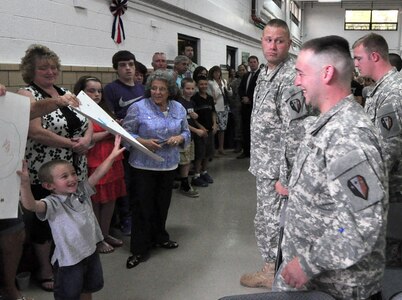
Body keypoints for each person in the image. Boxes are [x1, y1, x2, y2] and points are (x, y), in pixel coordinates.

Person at [273, 35, 387, 300]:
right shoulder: (327, 122)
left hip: (337, 287)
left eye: (301, 73)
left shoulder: (347, 135)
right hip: (319, 281)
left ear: (327, 73)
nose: (296, 81)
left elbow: (363, 223)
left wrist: (308, 262)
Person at [18, 44, 93, 292]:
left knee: (71, 216)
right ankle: (45, 269)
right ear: (31, 70)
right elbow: (35, 131)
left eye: (53, 67)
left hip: (74, 167)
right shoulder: (27, 93)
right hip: (47, 169)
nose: (50, 72)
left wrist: (87, 140)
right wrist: (71, 145)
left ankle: (70, 257)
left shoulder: (66, 92)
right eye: (43, 68)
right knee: (45, 222)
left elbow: (88, 119)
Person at [240, 19, 309, 288]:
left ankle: (272, 271)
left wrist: (286, 177)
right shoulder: (265, 74)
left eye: (279, 40)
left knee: (272, 221)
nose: (273, 45)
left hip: (277, 170)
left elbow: (296, 132)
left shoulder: (290, 78)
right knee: (265, 218)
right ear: (261, 42)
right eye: (268, 40)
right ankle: (275, 267)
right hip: (264, 163)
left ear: (289, 44)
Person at [18, 135, 125, 300]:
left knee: (87, 289)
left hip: (90, 253)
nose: (72, 178)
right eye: (64, 177)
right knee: (69, 295)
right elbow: (31, 205)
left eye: (73, 174)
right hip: (69, 261)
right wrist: (25, 184)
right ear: (49, 186)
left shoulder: (81, 191)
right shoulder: (52, 203)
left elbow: (98, 174)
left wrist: (112, 155)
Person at [0, 83, 79, 300]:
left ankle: (9, 286)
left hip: (3, 182)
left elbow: (27, 110)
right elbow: (35, 129)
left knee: (14, 231)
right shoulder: (29, 88)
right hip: (35, 169)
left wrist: (58, 101)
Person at [122, 70, 190, 269]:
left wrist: (180, 138)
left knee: (162, 205)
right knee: (142, 207)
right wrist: (142, 141)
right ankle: (139, 249)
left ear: (170, 91)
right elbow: (125, 133)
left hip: (168, 165)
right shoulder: (138, 108)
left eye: (162, 89)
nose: (157, 92)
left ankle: (160, 237)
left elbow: (186, 130)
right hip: (143, 165)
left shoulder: (178, 108)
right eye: (154, 88)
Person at [353, 33, 402, 267]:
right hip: (384, 188)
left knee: (390, 260)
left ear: (374, 56)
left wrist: (361, 191)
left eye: (358, 58)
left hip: (391, 190)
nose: (356, 64)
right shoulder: (379, 90)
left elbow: (387, 152)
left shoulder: (392, 93)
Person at [74, 76, 126, 254]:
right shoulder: (77, 110)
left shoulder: (104, 108)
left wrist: (117, 127)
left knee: (110, 199)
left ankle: (104, 234)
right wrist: (109, 131)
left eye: (99, 91)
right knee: (95, 201)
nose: (96, 94)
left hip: (111, 158)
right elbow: (86, 139)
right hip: (94, 160)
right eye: (91, 90)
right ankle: (95, 239)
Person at [103, 50, 145, 236]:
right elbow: (109, 117)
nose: (127, 68)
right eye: (122, 65)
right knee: (125, 182)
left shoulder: (141, 88)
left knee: (138, 181)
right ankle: (125, 218)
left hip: (141, 143)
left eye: (130, 64)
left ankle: (137, 214)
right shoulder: (111, 89)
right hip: (122, 145)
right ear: (116, 69)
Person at [177, 78, 203, 197]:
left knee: (188, 160)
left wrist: (195, 116)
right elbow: (182, 123)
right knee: (184, 160)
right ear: (182, 89)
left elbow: (192, 117)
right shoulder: (179, 103)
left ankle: (185, 181)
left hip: (190, 136)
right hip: (183, 135)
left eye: (192, 88)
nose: (190, 91)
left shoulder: (191, 102)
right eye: (187, 88)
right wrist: (196, 130)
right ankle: (184, 183)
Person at [191, 76, 217, 187]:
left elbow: (213, 112)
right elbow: (193, 118)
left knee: (208, 152)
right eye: (201, 84)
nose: (204, 86)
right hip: (200, 131)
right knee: (200, 154)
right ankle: (196, 175)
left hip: (210, 130)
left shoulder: (210, 98)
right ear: (197, 85)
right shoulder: (194, 99)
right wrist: (200, 127)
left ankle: (204, 172)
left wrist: (215, 124)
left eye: (205, 84)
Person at [237, 56, 260, 159]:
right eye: (250, 62)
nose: (252, 64)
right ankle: (246, 151)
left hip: (254, 106)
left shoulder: (261, 75)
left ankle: (255, 152)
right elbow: (241, 88)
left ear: (257, 63)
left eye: (254, 62)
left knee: (254, 130)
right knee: (245, 129)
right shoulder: (246, 75)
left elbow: (259, 90)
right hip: (245, 107)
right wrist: (243, 97)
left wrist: (250, 98)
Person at [208, 65, 232, 155]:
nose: (217, 74)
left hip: (225, 106)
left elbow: (229, 93)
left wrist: (228, 88)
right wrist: (219, 88)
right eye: (215, 72)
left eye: (218, 72)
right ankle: (213, 149)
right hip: (217, 107)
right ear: (212, 73)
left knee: (223, 128)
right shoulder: (210, 82)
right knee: (216, 128)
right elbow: (213, 96)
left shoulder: (224, 81)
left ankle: (221, 148)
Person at [229, 64, 248, 153]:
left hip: (247, 106)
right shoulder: (234, 82)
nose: (241, 72)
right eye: (240, 70)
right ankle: (238, 145)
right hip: (237, 106)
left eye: (243, 70)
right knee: (238, 126)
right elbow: (231, 95)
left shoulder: (249, 79)